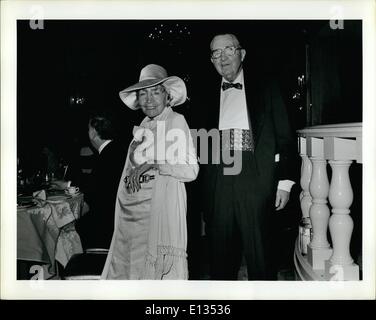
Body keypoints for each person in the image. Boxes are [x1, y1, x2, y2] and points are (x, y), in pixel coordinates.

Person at [200, 33, 297, 280]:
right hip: (218, 180)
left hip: (256, 176)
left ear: (242, 54)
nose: (222, 58)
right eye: (216, 53)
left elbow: (285, 136)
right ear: (211, 61)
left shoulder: (267, 85)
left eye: (228, 50)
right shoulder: (203, 95)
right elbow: (200, 143)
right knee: (219, 258)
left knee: (261, 255)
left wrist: (284, 183)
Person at [101, 64, 199, 280]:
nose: (149, 99)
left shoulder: (175, 121)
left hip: (158, 215)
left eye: (156, 91)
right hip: (132, 218)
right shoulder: (145, 124)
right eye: (143, 93)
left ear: (167, 96)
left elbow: (191, 170)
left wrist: (155, 164)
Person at [51, 112, 126, 249]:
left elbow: (93, 196)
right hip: (118, 218)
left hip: (105, 226)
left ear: (93, 133)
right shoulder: (116, 151)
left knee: (60, 231)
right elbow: (98, 186)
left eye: (88, 129)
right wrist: (67, 185)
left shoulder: (106, 157)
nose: (87, 132)